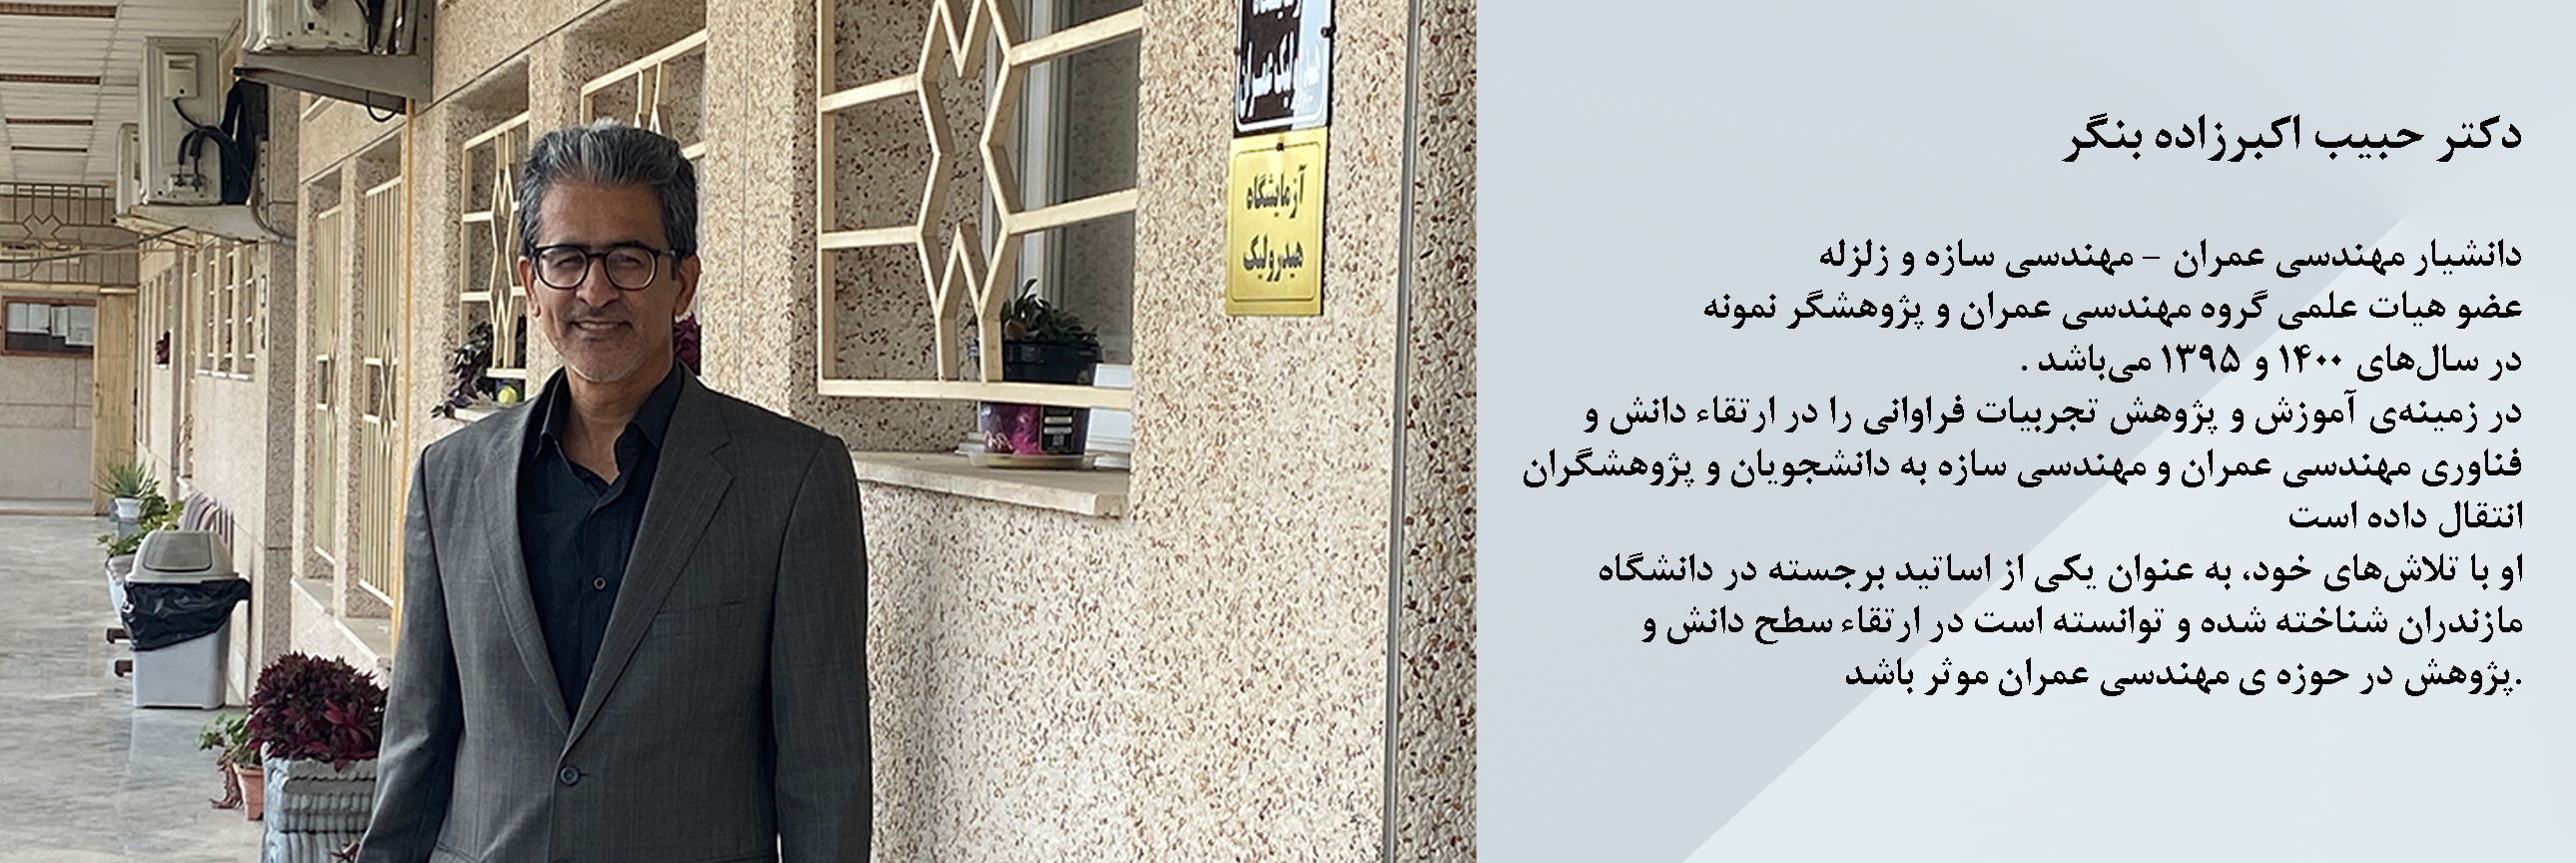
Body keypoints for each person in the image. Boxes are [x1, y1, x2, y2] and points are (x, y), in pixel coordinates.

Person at [358, 121, 871, 863]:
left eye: (629, 259)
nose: (595, 291)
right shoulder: (453, 480)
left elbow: (825, 772)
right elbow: (419, 738)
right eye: (566, 259)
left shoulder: (789, 480)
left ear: (682, 283)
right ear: (530, 283)